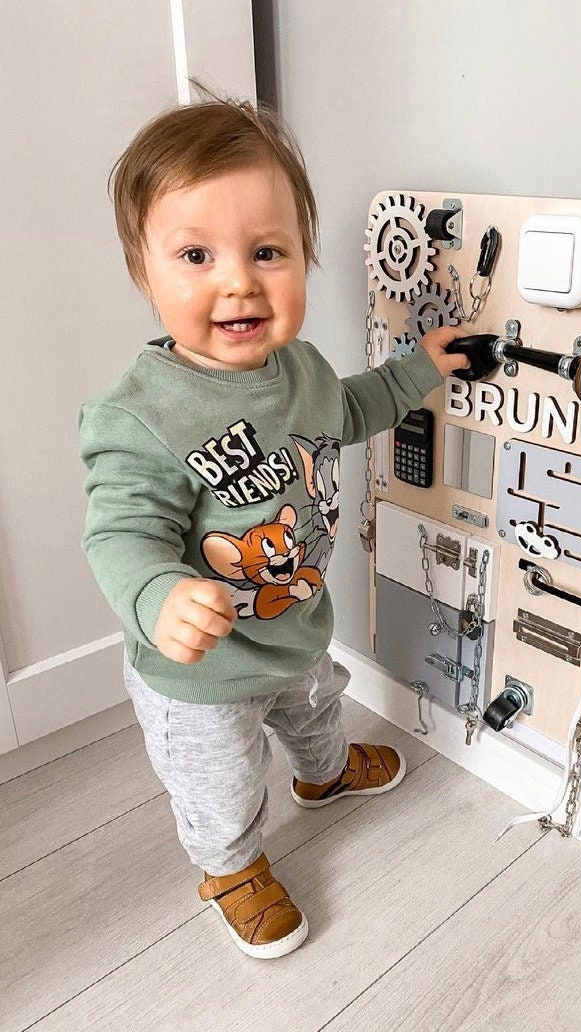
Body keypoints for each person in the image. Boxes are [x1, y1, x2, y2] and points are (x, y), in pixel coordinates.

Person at [78, 88, 469, 960]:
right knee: (219, 784)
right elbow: (118, 535)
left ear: (303, 257)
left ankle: (324, 779)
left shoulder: (301, 367)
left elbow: (348, 410)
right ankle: (229, 866)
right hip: (202, 678)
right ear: (145, 273)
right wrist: (156, 594)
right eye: (194, 254)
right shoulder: (140, 416)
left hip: (293, 627)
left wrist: (415, 374)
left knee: (319, 712)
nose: (238, 281)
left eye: (266, 251)